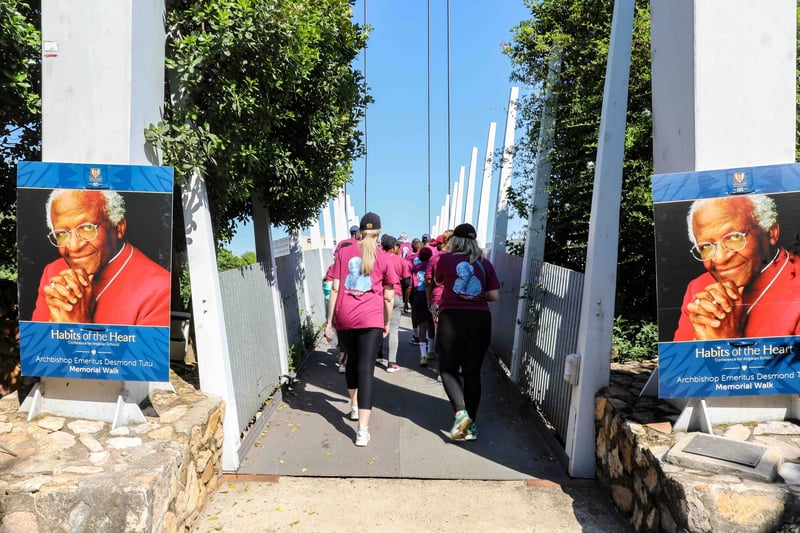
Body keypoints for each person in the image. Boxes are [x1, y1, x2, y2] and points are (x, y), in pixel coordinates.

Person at [31, 189, 170, 326]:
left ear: (118, 227)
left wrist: (78, 326)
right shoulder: (53, 272)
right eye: (62, 233)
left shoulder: (160, 289)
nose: (73, 247)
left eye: (87, 228)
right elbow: (37, 346)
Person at [673, 194, 800, 341]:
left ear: (771, 232)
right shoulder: (698, 288)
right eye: (706, 246)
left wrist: (727, 343)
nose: (719, 259)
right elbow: (679, 362)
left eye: (734, 237)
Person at [324, 212, 397, 447]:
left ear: (359, 232)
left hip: (345, 317)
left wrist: (329, 322)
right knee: (366, 369)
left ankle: (354, 405)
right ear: (378, 232)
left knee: (352, 362)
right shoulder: (384, 257)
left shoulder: (344, 252)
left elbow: (334, 288)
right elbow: (388, 296)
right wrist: (386, 321)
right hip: (371, 319)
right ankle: (362, 430)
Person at [434, 223, 500, 441]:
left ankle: (461, 414)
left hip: (452, 318)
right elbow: (494, 295)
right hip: (480, 319)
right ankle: (470, 425)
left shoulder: (444, 260)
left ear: (456, 241)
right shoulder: (485, 264)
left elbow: (438, 281)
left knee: (448, 369)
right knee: (472, 373)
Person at [380, 234, 409, 372]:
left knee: (377, 327)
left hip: (378, 296)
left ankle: (378, 355)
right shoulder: (401, 260)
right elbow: (408, 281)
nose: (399, 247)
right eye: (397, 245)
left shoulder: (377, 257)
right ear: (393, 247)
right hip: (395, 294)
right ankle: (391, 363)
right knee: (394, 330)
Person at [411, 246, 433, 365]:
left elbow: (412, 284)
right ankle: (431, 350)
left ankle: (423, 355)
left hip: (418, 295)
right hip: (431, 296)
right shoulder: (433, 266)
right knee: (431, 323)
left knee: (422, 325)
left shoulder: (415, 268)